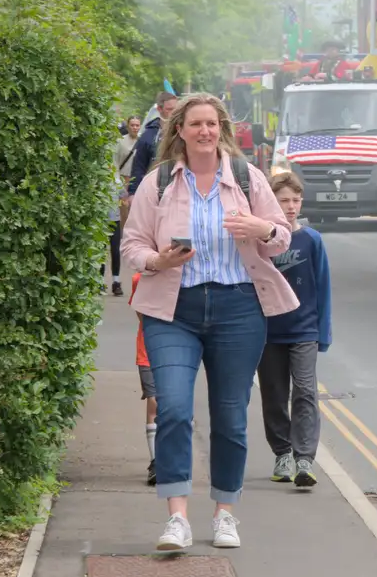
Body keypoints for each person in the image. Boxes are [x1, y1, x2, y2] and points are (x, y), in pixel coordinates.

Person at [121, 92, 298, 551]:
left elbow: (282, 237)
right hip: (173, 311)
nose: (205, 131)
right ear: (179, 130)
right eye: (196, 124)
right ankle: (177, 518)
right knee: (175, 409)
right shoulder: (158, 183)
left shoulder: (246, 178)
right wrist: (157, 260)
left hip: (239, 308)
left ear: (223, 130)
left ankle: (224, 514)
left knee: (230, 417)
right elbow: (131, 245)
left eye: (212, 124)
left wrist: (261, 230)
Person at [256, 170, 332, 490]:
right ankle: (282, 453)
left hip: (304, 330)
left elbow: (323, 287)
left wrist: (322, 333)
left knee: (305, 390)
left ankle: (304, 459)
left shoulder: (311, 240)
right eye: (283, 200)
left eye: (295, 201)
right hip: (269, 332)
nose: (290, 207)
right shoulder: (260, 241)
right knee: (274, 395)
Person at [129, 271, 158, 485]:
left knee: (175, 405)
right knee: (154, 401)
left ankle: (173, 458)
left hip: (181, 351)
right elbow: (140, 314)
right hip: (148, 350)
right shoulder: (139, 279)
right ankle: (156, 461)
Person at [127, 91, 178, 197]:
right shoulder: (148, 136)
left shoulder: (185, 133)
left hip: (179, 190)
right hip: (153, 191)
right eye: (169, 109)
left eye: (176, 109)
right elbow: (139, 166)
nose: (174, 113)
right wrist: (133, 193)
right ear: (160, 109)